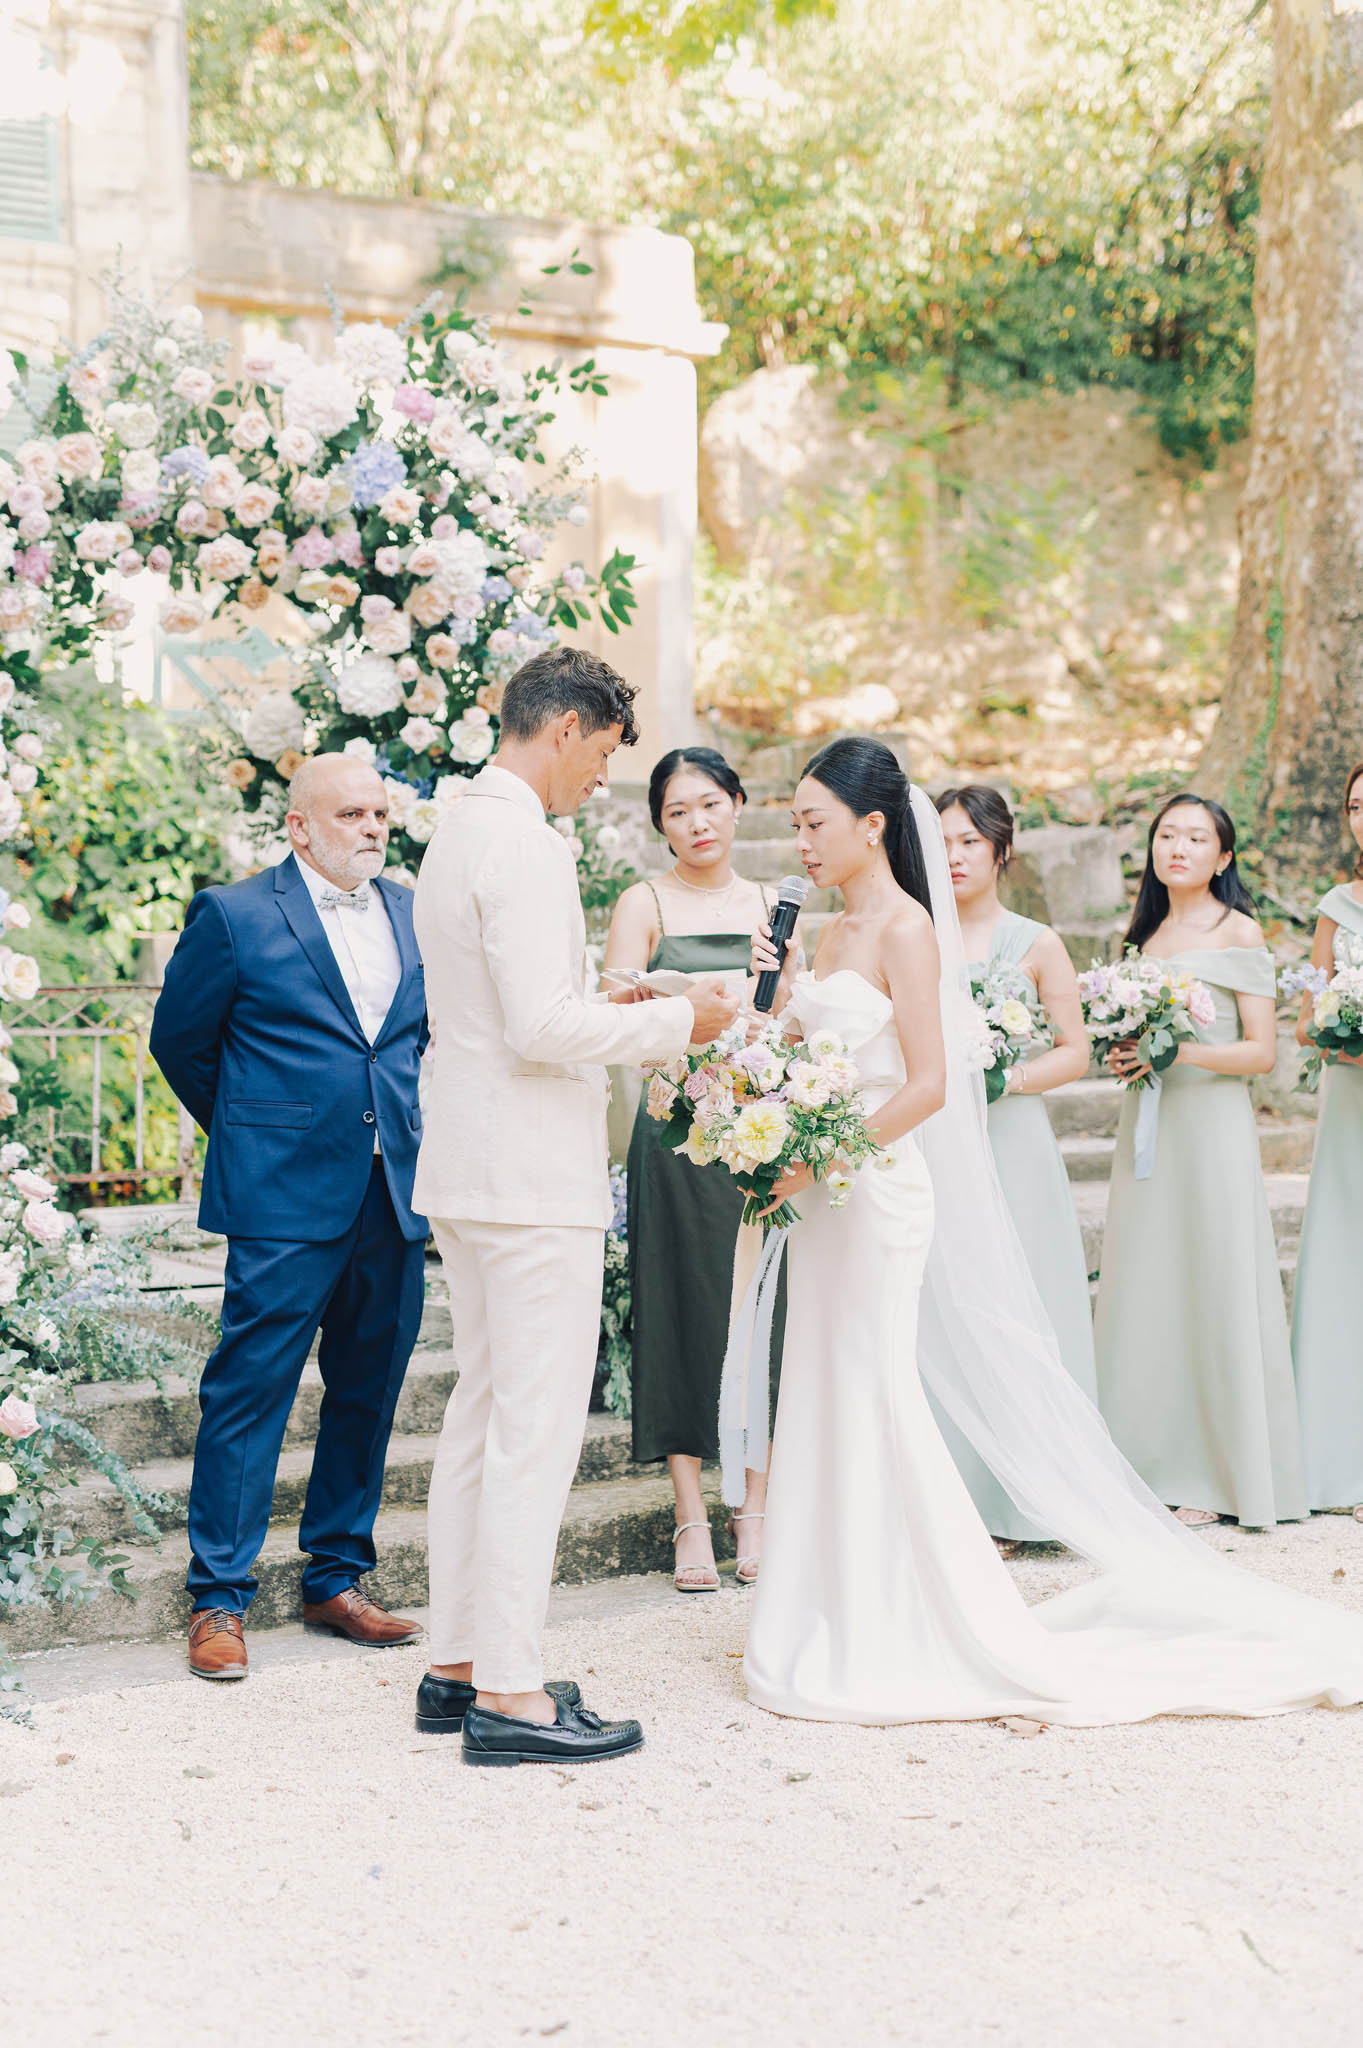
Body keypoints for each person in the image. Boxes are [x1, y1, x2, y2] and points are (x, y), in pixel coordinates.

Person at [740, 738, 1363, 1726]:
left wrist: (821, 1155)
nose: (799, 839)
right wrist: (761, 1064)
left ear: (869, 825)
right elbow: (801, 1047)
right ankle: (828, 1596)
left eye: (813, 820)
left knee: (872, 1383)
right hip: (824, 1194)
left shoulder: (906, 929)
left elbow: (930, 1084)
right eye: (795, 822)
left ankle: (905, 1605)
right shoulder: (822, 932)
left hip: (875, 1189)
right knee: (822, 1382)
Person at [412, 647, 740, 1767]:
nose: (600, 777)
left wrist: (609, 996)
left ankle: (457, 1661)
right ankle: (510, 1688)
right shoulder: (527, 842)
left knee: (481, 1414)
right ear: (562, 730)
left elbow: (510, 1002)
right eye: (600, 754)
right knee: (533, 1432)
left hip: (466, 1162)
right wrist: (674, 1022)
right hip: (529, 1176)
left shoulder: (457, 825)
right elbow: (541, 1030)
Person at [150, 754, 430, 1681]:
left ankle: (336, 1578)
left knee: (368, 1387)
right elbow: (182, 1043)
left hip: (394, 1190)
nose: (372, 828)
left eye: (380, 813)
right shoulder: (233, 915)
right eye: (351, 813)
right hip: (281, 1197)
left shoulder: (410, 910)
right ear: (300, 826)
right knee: (249, 1390)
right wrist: (258, 1134)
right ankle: (219, 1600)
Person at [1093, 795, 1306, 1530]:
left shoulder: (1238, 930)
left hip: (1209, 1127)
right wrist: (1126, 1053)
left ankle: (1216, 1474)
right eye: (1165, 834)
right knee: (1150, 1282)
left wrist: (1178, 1052)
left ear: (1222, 857)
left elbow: (1260, 1052)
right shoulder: (1144, 935)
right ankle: (1146, 1459)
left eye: (1194, 837)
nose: (1175, 846)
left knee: (1211, 1278)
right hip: (1149, 1123)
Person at [605, 746, 780, 1592]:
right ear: (660, 823)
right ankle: (689, 1516)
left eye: (709, 804)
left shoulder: (772, 904)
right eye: (677, 811)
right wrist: (661, 1004)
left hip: (754, 1127)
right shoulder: (642, 901)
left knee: (756, 1316)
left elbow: (782, 1017)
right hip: (672, 1127)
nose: (696, 823)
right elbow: (608, 1010)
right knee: (676, 1311)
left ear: (738, 805)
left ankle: (754, 1507)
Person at [936, 784, 1094, 1542]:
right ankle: (955, 1501)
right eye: (941, 839)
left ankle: (1031, 1502)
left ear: (1001, 848)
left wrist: (1006, 1077)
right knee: (949, 1306)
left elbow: (1075, 1050)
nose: (954, 854)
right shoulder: (917, 934)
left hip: (1014, 1142)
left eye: (969, 840)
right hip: (939, 1142)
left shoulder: (1036, 943)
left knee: (1025, 1306)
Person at [1292, 760, 1363, 1514]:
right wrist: (1332, 1029)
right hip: (1350, 1102)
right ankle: (1344, 1461)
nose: (1361, 817)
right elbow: (1310, 1016)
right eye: (1353, 806)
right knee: (1349, 1263)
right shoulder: (1336, 908)